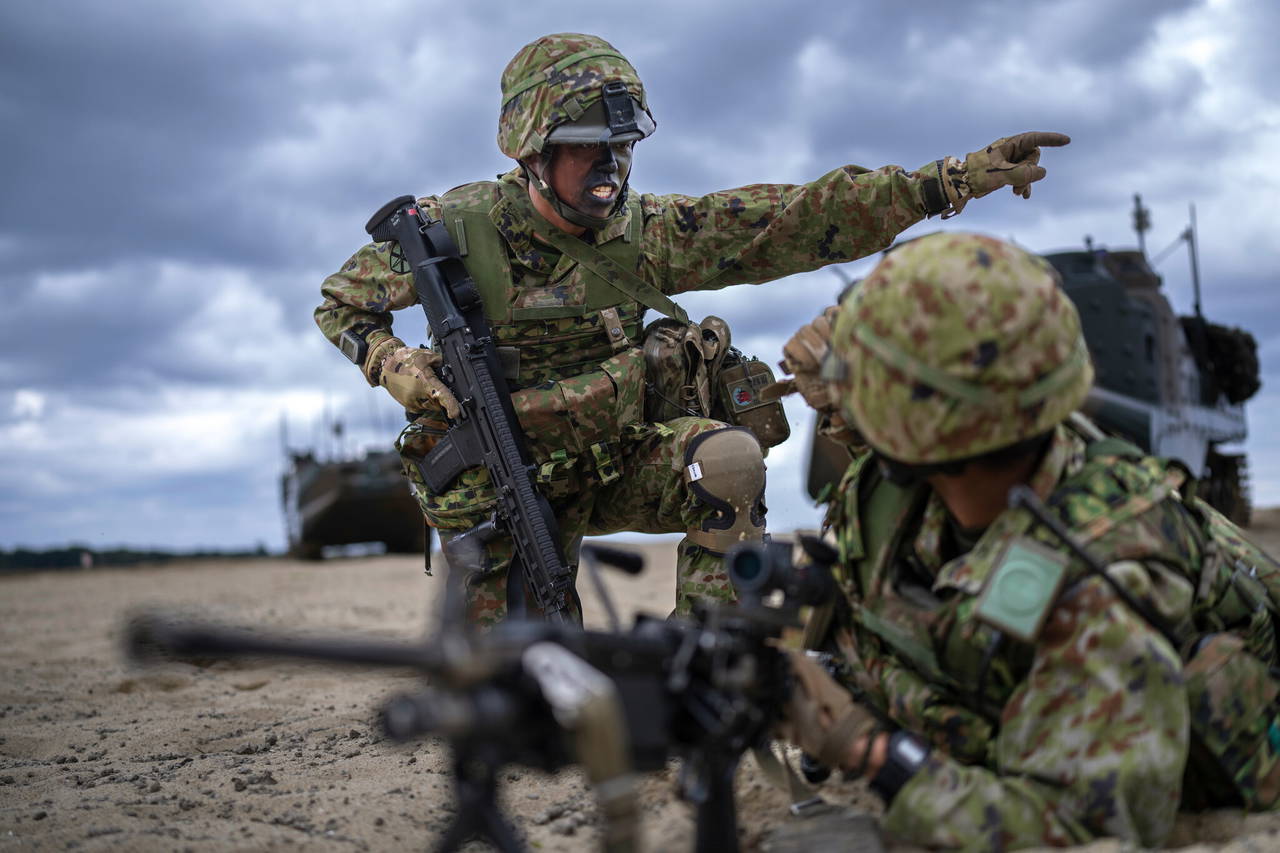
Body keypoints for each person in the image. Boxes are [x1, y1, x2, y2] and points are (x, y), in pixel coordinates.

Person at [315, 31, 1070, 624]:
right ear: (533, 151)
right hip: (506, 487)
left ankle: (709, 648)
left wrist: (946, 181)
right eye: (586, 149)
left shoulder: (644, 231)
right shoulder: (460, 230)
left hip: (618, 459)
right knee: (525, 688)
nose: (609, 168)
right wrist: (387, 358)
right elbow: (340, 300)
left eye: (620, 147)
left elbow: (792, 220)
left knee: (732, 460)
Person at [772, 231, 1280, 848]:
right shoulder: (996, 431)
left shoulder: (1102, 587)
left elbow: (1076, 831)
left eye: (862, 385)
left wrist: (862, 746)